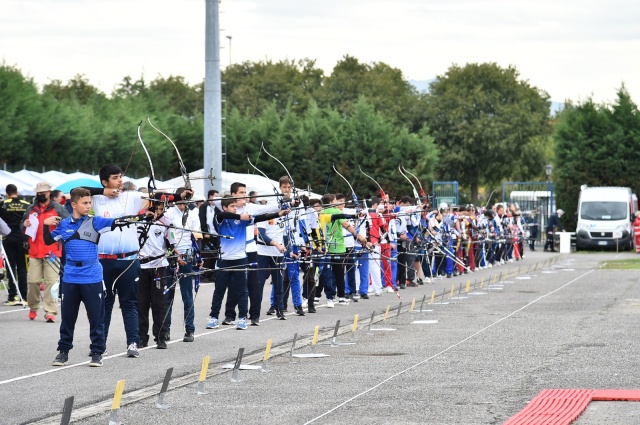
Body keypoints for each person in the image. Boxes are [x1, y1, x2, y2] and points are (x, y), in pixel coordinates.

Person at [87, 165, 192, 358]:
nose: (120, 180)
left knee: (130, 303)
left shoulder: (131, 197)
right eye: (115, 178)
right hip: (104, 261)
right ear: (104, 182)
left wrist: (180, 196)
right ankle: (99, 345)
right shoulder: (96, 199)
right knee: (104, 304)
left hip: (128, 259)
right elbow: (74, 193)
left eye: (121, 177)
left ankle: (133, 343)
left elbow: (157, 197)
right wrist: (105, 192)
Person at [44, 188, 149, 367]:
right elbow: (48, 241)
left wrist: (142, 217)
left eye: (90, 203)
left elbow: (118, 221)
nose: (88, 206)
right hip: (70, 277)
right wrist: (47, 225)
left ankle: (97, 352)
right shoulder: (64, 224)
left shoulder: (95, 222)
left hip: (91, 276)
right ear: (73, 204)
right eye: (84, 203)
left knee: (96, 317)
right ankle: (63, 352)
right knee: (68, 317)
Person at [206, 196, 285, 330]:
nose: (235, 208)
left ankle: (242, 318)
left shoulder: (243, 220)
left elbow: (260, 217)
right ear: (225, 207)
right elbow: (222, 214)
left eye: (235, 206)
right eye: (232, 206)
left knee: (242, 290)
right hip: (224, 260)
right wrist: (239, 215)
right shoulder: (221, 218)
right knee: (219, 291)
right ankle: (214, 317)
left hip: (241, 258)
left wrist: (278, 214)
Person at [21, 181, 69, 322]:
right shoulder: (31, 209)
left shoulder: (58, 208)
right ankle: (33, 306)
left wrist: (59, 221)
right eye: (39, 192)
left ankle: (51, 312)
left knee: (52, 282)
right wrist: (24, 224)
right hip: (34, 250)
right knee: (33, 281)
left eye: (44, 192)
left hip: (53, 251)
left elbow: (68, 223)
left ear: (49, 192)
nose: (41, 194)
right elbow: (22, 226)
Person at [164, 188, 203, 342]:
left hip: (187, 256)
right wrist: (173, 253)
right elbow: (165, 237)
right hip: (171, 256)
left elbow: (197, 236)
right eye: (180, 201)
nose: (182, 205)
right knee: (168, 296)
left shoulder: (193, 213)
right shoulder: (169, 213)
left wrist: (199, 256)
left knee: (187, 295)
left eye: (185, 202)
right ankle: (165, 330)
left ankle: (189, 330)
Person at [137, 200, 174, 349]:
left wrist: (173, 256)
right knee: (141, 304)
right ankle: (141, 337)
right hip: (141, 266)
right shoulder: (138, 221)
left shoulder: (167, 221)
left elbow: (172, 243)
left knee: (160, 303)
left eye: (161, 209)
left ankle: (161, 336)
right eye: (155, 208)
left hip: (159, 266)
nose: (158, 212)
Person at [0, 184, 31, 305]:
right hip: (23, 237)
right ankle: (24, 296)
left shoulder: (3, 203)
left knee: (10, 266)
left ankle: (13, 296)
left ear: (7, 193)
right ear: (16, 193)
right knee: (22, 268)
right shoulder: (26, 204)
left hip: (8, 237)